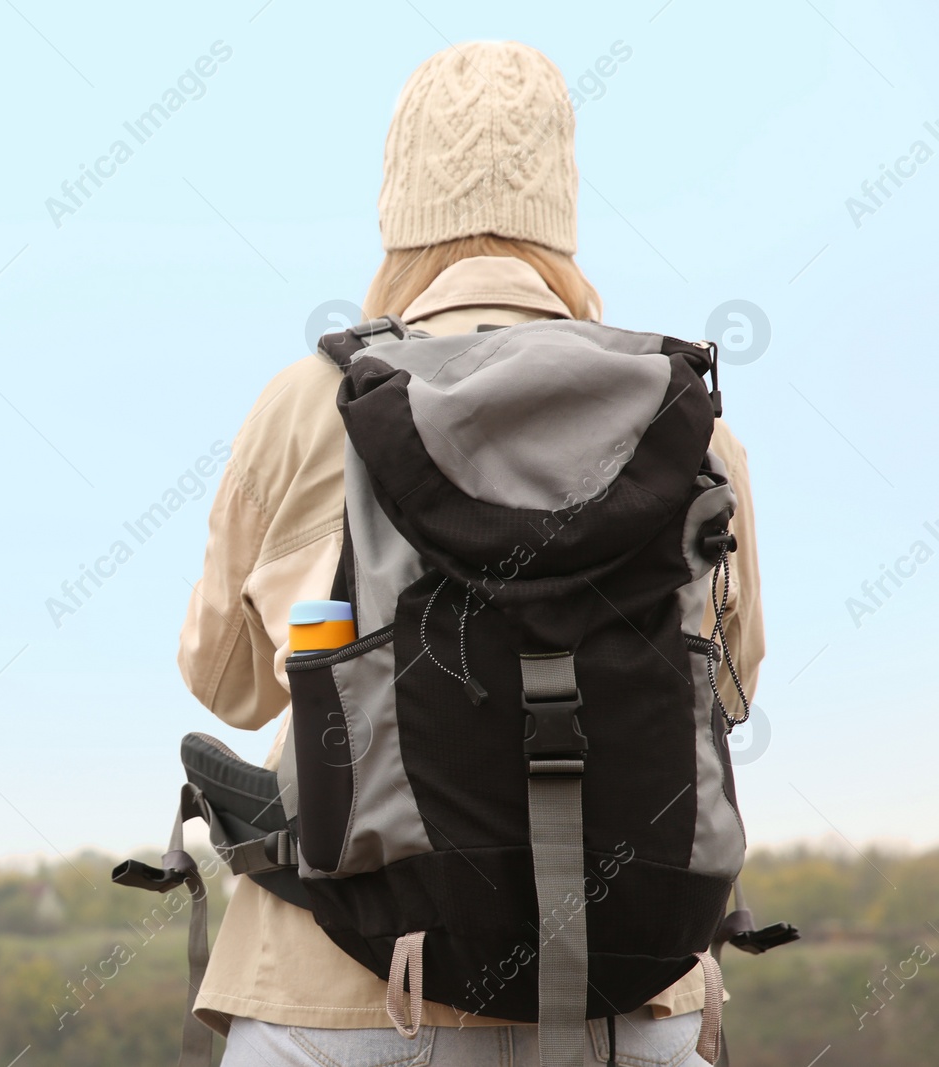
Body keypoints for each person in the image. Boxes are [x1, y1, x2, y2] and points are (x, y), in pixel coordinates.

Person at [178, 41, 763, 1066]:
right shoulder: (685, 424)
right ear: (565, 211)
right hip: (629, 998)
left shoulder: (309, 403)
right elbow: (729, 684)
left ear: (397, 208)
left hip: (343, 987)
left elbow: (227, 687)